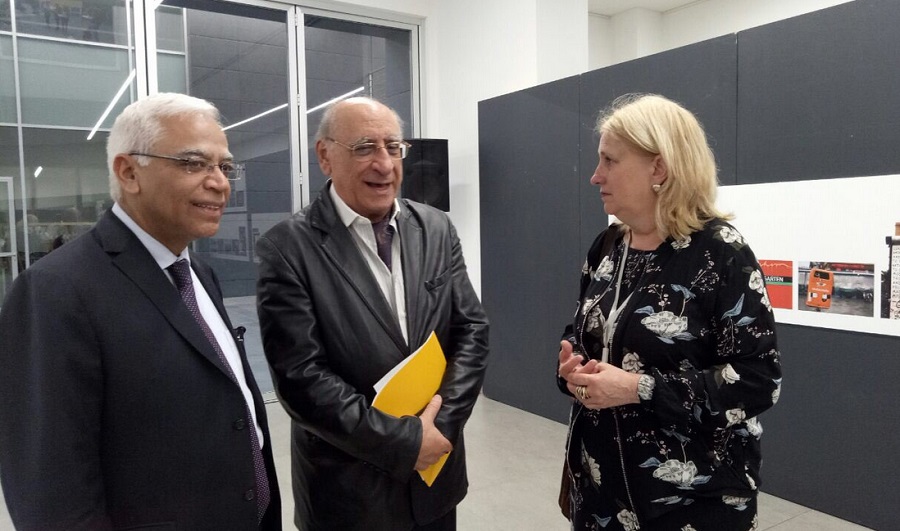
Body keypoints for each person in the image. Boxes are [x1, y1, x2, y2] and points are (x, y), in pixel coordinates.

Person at [0, 92, 281, 530]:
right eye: (194, 163)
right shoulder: (56, 290)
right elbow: (51, 492)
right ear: (129, 172)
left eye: (225, 167)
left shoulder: (199, 273)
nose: (219, 183)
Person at [256, 96, 489, 531]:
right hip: (348, 492)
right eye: (364, 147)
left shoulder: (436, 228)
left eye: (393, 147)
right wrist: (405, 442)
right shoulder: (287, 248)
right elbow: (301, 378)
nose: (384, 164)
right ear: (325, 156)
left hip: (435, 478)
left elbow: (471, 330)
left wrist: (440, 427)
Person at [556, 93, 782, 530]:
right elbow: (584, 331)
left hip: (690, 502)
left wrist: (639, 388)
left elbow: (759, 380)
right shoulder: (608, 247)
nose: (595, 175)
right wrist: (572, 364)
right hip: (601, 493)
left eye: (609, 160)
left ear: (658, 169)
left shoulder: (722, 254)